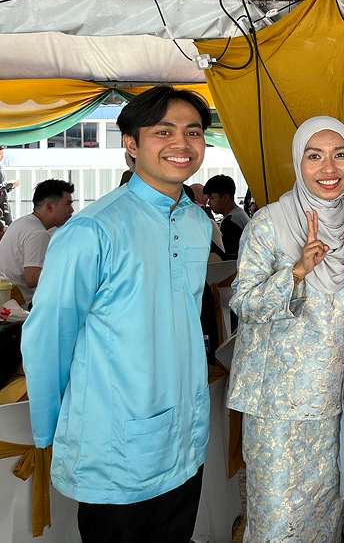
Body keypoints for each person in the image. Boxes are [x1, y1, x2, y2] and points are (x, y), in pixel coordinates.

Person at [22, 86, 213, 543]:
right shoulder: (92, 230)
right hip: (115, 451)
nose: (182, 144)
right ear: (131, 143)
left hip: (185, 441)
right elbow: (49, 336)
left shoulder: (196, 222)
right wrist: (49, 432)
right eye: (163, 131)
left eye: (193, 132)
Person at [227, 117, 344, 542]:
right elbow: (243, 302)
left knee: (326, 513)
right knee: (278, 519)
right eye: (314, 156)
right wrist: (297, 271)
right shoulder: (269, 223)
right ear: (298, 162)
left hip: (339, 397)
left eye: (339, 155)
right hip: (278, 403)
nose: (329, 168)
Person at [0, 179, 74, 302]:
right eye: (68, 204)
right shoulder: (38, 233)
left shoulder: (22, 222)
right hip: (20, 305)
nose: (71, 210)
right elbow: (32, 278)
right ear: (49, 206)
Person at [203, 174, 249, 259]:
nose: (209, 203)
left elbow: (226, 257)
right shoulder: (239, 214)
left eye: (212, 198)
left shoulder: (230, 222)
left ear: (225, 198)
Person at [0, 145, 17, 235]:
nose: (2, 156)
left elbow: (2, 190)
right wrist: (10, 184)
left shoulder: (1, 167)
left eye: (2, 154)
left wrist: (11, 186)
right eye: (0, 154)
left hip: (4, 205)